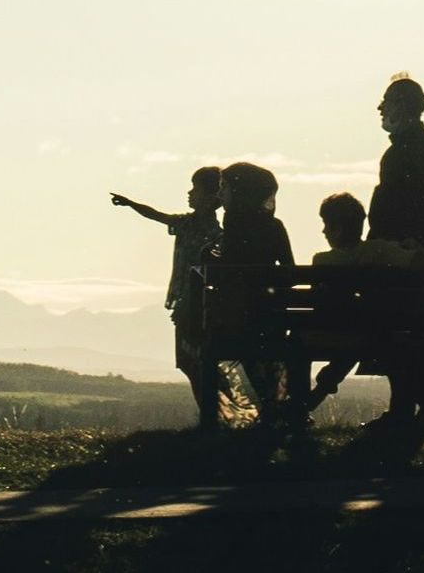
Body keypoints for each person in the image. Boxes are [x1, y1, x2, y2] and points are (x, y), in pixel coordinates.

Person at [368, 75, 424, 423]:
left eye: (386, 102)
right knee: (421, 325)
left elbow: (393, 204)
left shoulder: (400, 152)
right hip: (421, 246)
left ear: (402, 108)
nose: (380, 109)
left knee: (400, 326)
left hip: (399, 249)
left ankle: (405, 405)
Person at [111, 167, 224, 419]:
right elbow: (155, 215)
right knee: (195, 361)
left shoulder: (196, 228)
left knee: (191, 361)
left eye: (196, 188)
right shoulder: (213, 231)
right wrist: (131, 204)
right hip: (195, 304)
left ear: (210, 196)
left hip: (190, 305)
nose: (190, 193)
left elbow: (156, 216)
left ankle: (212, 414)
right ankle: (214, 413)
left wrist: (131, 204)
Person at [304, 192, 424, 414]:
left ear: (337, 228)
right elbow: (421, 263)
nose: (323, 231)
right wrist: (414, 247)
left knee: (312, 340)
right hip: (380, 332)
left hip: (335, 333)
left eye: (325, 225)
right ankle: (401, 413)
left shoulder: (322, 261)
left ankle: (303, 401)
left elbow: (319, 304)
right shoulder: (380, 250)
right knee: (367, 335)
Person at [206, 161, 295, 421]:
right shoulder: (274, 226)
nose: (220, 193)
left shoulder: (232, 229)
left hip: (233, 321)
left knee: (245, 345)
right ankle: (277, 406)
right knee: (265, 347)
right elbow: (289, 273)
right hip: (272, 319)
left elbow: (222, 269)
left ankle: (259, 409)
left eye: (225, 187)